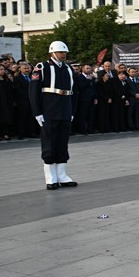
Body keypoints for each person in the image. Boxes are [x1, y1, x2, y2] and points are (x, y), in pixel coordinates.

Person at [30, 41, 79, 190]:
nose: (63, 55)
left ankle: (62, 175)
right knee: (49, 143)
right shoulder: (42, 67)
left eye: (64, 53)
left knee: (62, 142)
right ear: (52, 53)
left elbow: (74, 92)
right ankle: (51, 178)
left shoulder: (68, 68)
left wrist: (72, 111)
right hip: (49, 110)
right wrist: (37, 112)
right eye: (60, 52)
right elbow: (33, 92)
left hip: (65, 110)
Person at [74, 64, 98, 135]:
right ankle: (83, 130)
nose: (89, 70)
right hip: (83, 99)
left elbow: (95, 89)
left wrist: (96, 98)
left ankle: (90, 129)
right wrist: (88, 80)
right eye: (87, 68)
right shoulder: (79, 77)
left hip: (91, 99)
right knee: (83, 115)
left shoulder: (92, 77)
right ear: (83, 69)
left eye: (90, 68)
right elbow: (81, 87)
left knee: (91, 115)